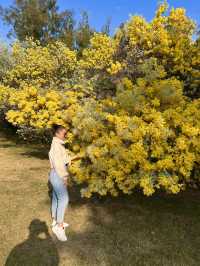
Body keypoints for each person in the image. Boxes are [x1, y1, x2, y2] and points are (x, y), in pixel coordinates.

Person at [48, 124, 78, 242]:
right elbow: (58, 164)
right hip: (57, 174)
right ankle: (59, 227)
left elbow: (63, 159)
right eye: (64, 133)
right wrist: (64, 178)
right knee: (64, 199)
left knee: (56, 197)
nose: (66, 135)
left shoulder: (58, 144)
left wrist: (74, 158)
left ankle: (55, 221)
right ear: (58, 133)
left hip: (55, 174)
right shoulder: (56, 146)